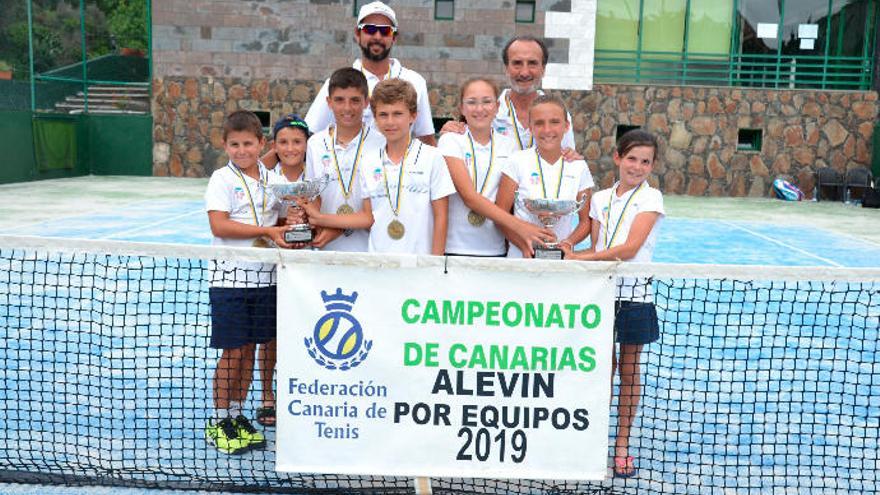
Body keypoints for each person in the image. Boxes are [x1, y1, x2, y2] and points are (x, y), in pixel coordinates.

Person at [560, 129, 665, 478]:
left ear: (652, 166)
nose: (637, 166)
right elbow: (591, 237)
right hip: (600, 294)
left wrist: (583, 259)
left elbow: (630, 249)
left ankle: (621, 444)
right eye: (632, 158)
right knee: (601, 369)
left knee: (629, 369)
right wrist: (566, 249)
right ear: (618, 158)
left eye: (645, 161)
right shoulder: (601, 198)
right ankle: (592, 439)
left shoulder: (652, 199)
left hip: (635, 297)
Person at [203, 110, 293, 454]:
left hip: (265, 279)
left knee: (251, 350)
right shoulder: (220, 179)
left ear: (262, 144)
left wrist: (292, 221)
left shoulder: (271, 179)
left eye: (248, 144)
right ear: (225, 145)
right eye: (234, 144)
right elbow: (219, 226)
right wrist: (267, 231)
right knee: (234, 351)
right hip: (229, 280)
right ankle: (220, 418)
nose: (242, 151)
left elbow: (281, 218)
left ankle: (238, 414)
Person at [301, 78, 454, 255]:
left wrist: (435, 265)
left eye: (397, 114)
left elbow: (441, 217)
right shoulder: (369, 161)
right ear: (375, 117)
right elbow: (367, 217)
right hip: (377, 263)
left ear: (413, 115)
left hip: (420, 262)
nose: (390, 122)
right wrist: (321, 219)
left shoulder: (433, 157)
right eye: (383, 114)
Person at [437, 77, 554, 257]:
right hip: (454, 248)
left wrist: (522, 243)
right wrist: (520, 227)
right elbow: (469, 197)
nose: (479, 109)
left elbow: (510, 201)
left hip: (495, 249)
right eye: (471, 102)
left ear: (497, 107)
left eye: (486, 102)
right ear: (461, 108)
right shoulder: (450, 140)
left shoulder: (509, 146)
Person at [304, 1, 436, 145]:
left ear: (394, 37)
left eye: (385, 31)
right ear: (357, 34)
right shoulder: (338, 83)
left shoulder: (415, 81)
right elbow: (311, 132)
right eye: (370, 30)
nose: (377, 36)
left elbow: (426, 138)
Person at [495, 95, 593, 258]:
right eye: (539, 123)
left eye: (554, 122)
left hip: (561, 262)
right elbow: (501, 216)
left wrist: (567, 243)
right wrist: (523, 245)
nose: (547, 130)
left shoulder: (578, 166)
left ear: (566, 126)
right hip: (521, 258)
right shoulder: (516, 161)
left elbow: (585, 221)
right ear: (530, 127)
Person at [441, 35, 576, 152]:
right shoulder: (486, 112)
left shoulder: (558, 114)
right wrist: (452, 130)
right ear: (506, 68)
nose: (524, 72)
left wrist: (571, 156)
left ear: (543, 69)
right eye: (517, 63)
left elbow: (566, 159)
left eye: (532, 63)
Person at [304, 68, 385, 252]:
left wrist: (340, 228)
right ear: (329, 102)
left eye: (355, 100)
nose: (347, 108)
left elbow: (380, 205)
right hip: (326, 246)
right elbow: (314, 196)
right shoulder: (316, 143)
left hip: (368, 246)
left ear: (366, 102)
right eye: (339, 100)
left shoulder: (381, 142)